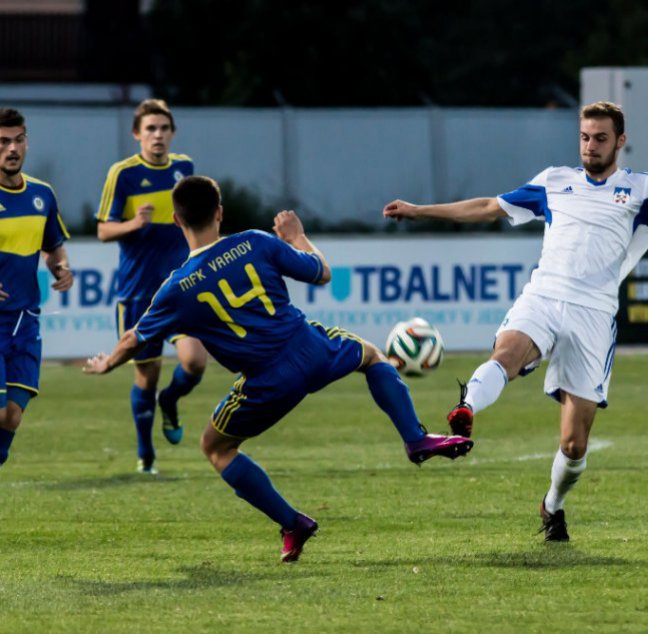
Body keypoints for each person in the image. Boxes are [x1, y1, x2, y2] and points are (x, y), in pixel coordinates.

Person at [383, 100, 648, 542]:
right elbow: (489, 205)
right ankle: (466, 407)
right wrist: (418, 210)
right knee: (506, 353)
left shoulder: (641, 189)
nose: (590, 147)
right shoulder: (554, 182)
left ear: (620, 141)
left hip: (593, 316)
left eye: (600, 138)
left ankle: (552, 505)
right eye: (585, 138)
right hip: (544, 296)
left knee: (573, 445)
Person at [84, 175, 473, 562]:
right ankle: (414, 437)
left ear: (176, 221)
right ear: (220, 213)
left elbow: (134, 338)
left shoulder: (175, 288)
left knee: (216, 447)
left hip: (267, 383)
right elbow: (321, 272)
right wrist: (296, 235)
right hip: (313, 348)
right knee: (372, 356)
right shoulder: (255, 240)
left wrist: (108, 363)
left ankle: (293, 523)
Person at [96, 99, 208, 474]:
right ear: (137, 134)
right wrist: (133, 225)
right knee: (147, 373)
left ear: (172, 132)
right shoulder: (123, 174)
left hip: (179, 287)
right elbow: (103, 229)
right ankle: (146, 454)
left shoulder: (184, 168)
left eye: (163, 128)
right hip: (138, 290)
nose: (157, 135)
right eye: (150, 129)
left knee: (194, 362)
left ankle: (171, 402)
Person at [0, 107, 74, 468]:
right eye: (2, 142)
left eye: (18, 140)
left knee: (12, 416)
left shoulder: (42, 195)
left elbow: (53, 245)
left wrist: (61, 266)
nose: (11, 148)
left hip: (24, 321)